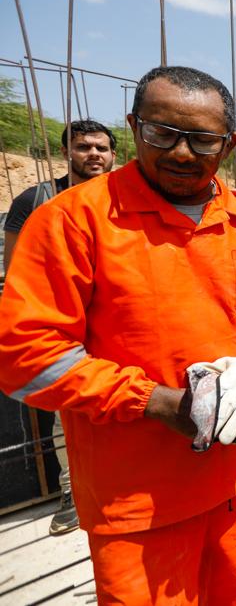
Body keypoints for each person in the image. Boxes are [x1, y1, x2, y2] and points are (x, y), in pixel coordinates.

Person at [0, 65, 236, 605]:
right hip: (137, 500)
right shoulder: (73, 221)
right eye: (161, 133)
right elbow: (24, 357)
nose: (182, 153)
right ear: (134, 126)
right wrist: (158, 402)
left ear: (229, 144)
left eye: (203, 139)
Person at [2, 119, 117, 536]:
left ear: (114, 154)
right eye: (84, 147)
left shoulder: (122, 198)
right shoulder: (37, 199)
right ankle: (73, 491)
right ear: (67, 150)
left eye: (101, 148)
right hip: (67, 324)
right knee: (67, 412)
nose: (93, 155)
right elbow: (16, 268)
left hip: (115, 320)